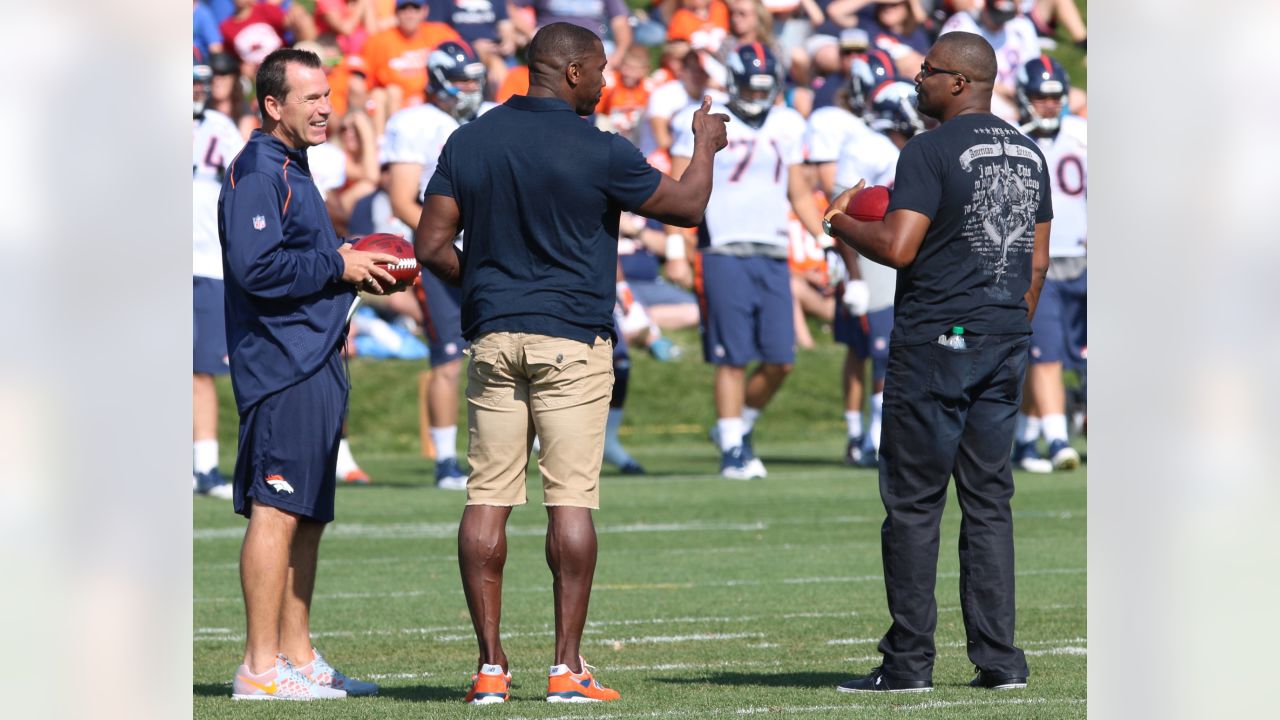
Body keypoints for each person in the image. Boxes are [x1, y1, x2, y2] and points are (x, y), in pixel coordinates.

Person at [414, 21, 728, 704]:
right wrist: (703, 147)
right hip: (572, 342)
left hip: (494, 338)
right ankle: (566, 668)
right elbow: (689, 204)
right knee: (571, 501)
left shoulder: (469, 139)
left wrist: (487, 291)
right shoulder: (600, 148)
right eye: (603, 69)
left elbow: (431, 242)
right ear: (577, 71)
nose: (608, 80)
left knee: (487, 500)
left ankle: (490, 670)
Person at [823, 31, 1050, 693]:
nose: (916, 82)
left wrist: (840, 220)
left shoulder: (927, 149)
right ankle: (1000, 661)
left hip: (936, 339)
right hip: (1005, 332)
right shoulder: (1029, 151)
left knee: (915, 504)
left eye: (926, 73)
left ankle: (908, 664)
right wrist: (1004, 324)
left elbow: (897, 246)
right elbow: (1035, 259)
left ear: (959, 82)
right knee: (989, 502)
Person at [219, 47, 405, 701]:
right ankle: (259, 670)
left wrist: (346, 259)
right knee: (275, 511)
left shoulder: (296, 166)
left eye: (328, 95)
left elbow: (302, 258)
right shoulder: (258, 169)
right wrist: (340, 266)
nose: (326, 108)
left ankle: (297, 658)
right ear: (273, 106)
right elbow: (256, 269)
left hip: (317, 357)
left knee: (307, 515)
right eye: (311, 98)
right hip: (282, 364)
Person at [667, 43, 822, 480]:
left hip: (772, 249)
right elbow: (680, 186)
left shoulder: (789, 122)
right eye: (750, 87)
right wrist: (678, 249)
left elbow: (798, 192)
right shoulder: (701, 117)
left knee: (781, 358)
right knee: (731, 356)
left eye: (764, 88)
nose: (756, 96)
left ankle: (738, 426)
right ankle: (733, 447)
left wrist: (826, 240)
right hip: (723, 247)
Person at [383, 39, 489, 490]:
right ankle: (446, 459)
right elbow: (403, 198)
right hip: (445, 254)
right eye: (462, 80)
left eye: (473, 80)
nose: (470, 88)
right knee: (448, 356)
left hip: (490, 253)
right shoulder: (414, 122)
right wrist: (447, 239)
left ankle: (505, 449)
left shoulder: (490, 117)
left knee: (507, 354)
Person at [1011, 54, 1085, 473]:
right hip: (1038, 261)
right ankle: (1057, 438)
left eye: (1054, 97)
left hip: (1085, 256)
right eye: (1040, 97)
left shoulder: (1083, 135)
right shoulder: (1015, 139)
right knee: (1045, 353)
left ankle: (1024, 441)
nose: (1048, 105)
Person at [193, 63, 245, 499]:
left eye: (199, 82)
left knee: (202, 369)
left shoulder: (220, 125)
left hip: (207, 260)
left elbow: (241, 184)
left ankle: (205, 466)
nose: (194, 90)